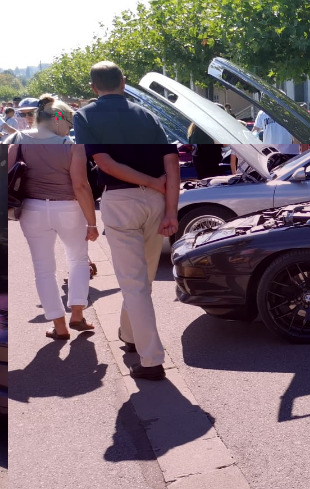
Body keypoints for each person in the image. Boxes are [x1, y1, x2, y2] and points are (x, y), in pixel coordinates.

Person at [73, 60, 180, 381]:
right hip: (157, 200)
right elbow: (172, 163)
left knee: (135, 283)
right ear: (123, 81)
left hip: (121, 201)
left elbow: (104, 163)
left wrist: (151, 183)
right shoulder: (148, 114)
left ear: (93, 87)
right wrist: (171, 210)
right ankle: (130, 335)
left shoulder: (84, 115)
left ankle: (152, 360)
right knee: (142, 280)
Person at [7, 95, 98, 341]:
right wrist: (92, 222)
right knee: (78, 260)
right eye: (68, 123)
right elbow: (81, 186)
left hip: (32, 209)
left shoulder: (17, 140)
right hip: (68, 209)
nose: (69, 128)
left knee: (43, 268)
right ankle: (77, 314)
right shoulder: (70, 145)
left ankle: (59, 326)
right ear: (59, 120)